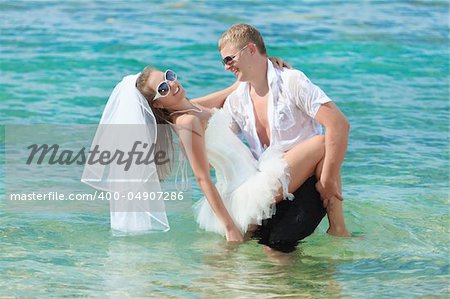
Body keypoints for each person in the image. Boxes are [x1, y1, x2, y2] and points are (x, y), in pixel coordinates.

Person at [134, 67, 326, 244]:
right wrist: (229, 226)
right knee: (321, 143)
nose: (172, 84)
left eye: (169, 76)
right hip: (247, 190)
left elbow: (234, 89)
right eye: (163, 88)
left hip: (254, 174)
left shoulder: (193, 106)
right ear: (158, 104)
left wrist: (271, 63)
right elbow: (202, 177)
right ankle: (336, 218)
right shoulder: (186, 122)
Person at [209, 24, 351, 252]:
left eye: (229, 59)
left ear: (251, 50)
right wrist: (162, 106)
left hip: (307, 184)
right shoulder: (237, 100)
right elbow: (201, 117)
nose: (226, 67)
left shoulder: (291, 81)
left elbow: (339, 125)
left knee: (276, 246)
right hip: (270, 189)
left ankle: (306, 286)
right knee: (232, 248)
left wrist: (329, 179)